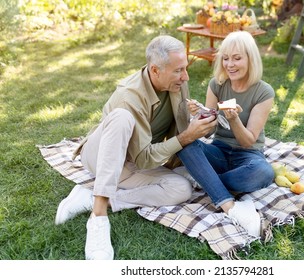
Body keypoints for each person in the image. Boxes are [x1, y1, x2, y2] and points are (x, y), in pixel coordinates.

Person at [54, 35, 218, 260]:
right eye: (179, 70)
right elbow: (147, 157)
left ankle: (95, 196)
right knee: (121, 117)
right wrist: (187, 136)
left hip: (132, 164)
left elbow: (178, 133)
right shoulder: (129, 97)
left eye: (185, 69)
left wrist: (202, 125)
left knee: (181, 188)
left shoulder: (177, 83)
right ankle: (98, 217)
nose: (186, 76)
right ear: (155, 70)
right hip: (101, 156)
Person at [177, 30, 275, 238]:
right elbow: (209, 129)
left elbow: (248, 141)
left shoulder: (264, 92)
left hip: (248, 156)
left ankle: (205, 179)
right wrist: (200, 116)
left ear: (251, 59)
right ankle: (232, 206)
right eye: (226, 59)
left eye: (237, 58)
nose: (230, 65)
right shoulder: (217, 85)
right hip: (219, 151)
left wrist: (234, 119)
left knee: (264, 173)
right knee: (185, 143)